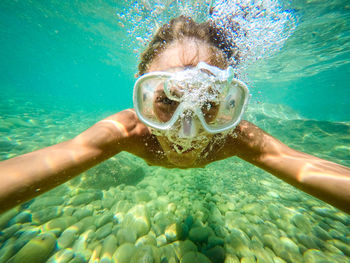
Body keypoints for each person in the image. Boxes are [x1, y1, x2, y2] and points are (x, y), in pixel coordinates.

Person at [0, 16, 349, 214]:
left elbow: (301, 165)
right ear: (145, 95)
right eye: (168, 100)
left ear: (230, 104)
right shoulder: (127, 130)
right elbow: (52, 158)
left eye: (208, 104)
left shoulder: (236, 136)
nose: (187, 131)